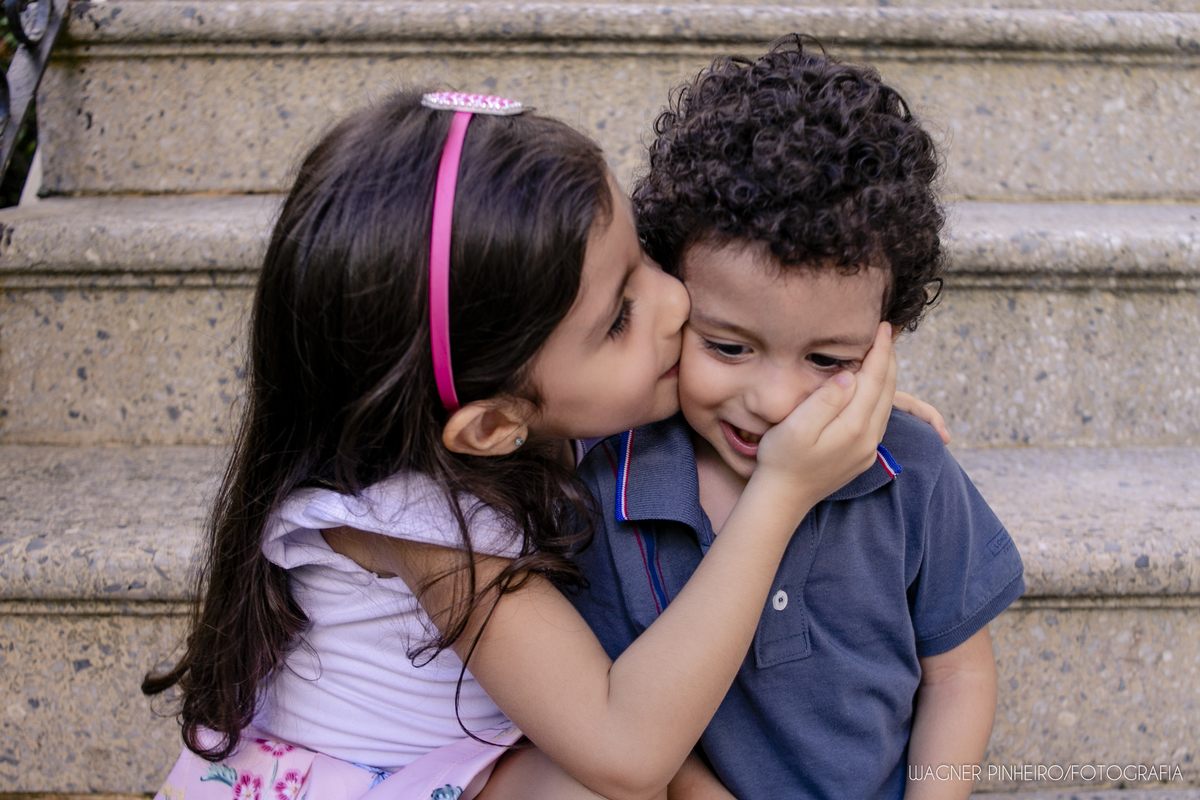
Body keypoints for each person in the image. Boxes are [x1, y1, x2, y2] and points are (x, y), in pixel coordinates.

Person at [143, 89, 909, 800]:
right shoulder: (420, 524)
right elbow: (626, 747)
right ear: (490, 426)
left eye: (642, 256)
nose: (676, 300)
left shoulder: (519, 423)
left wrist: (811, 395)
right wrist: (781, 493)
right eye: (619, 317)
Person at [568, 37, 1026, 800]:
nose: (777, 402)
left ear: (887, 340)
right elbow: (614, 710)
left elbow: (959, 677)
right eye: (728, 346)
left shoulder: (911, 470)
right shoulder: (613, 484)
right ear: (670, 302)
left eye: (828, 360)